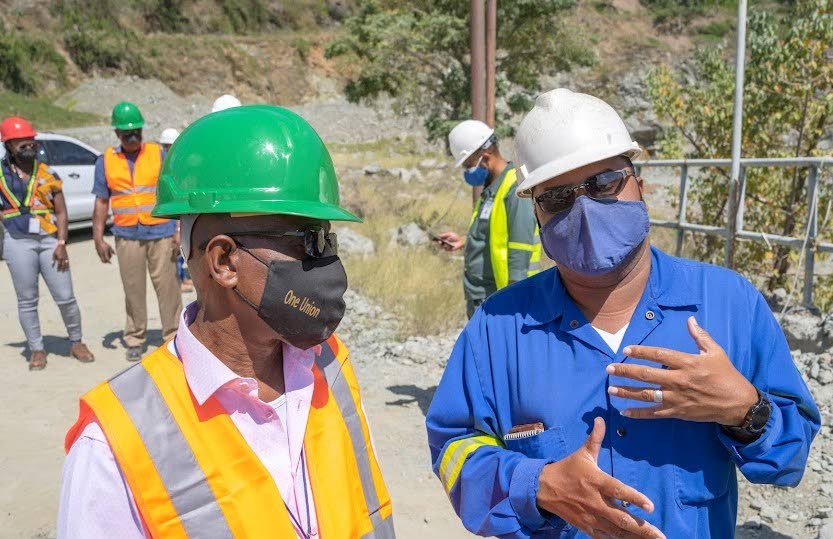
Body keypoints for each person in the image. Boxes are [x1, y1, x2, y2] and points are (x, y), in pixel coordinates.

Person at [425, 89, 820, 538]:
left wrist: (746, 411)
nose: (585, 208)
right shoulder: (498, 329)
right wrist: (537, 485)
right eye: (556, 197)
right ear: (535, 214)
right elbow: (453, 448)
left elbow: (790, 459)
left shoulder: (728, 304)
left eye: (603, 182)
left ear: (640, 184)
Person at [58, 105, 394, 538]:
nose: (327, 263)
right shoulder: (116, 446)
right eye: (308, 241)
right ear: (224, 261)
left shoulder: (330, 367)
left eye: (328, 239)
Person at [0, 117, 94, 370]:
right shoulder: (1, 175)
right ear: (9, 146)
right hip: (17, 242)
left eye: (31, 142)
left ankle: (77, 341)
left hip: (50, 241)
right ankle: (37, 349)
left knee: (65, 297)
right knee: (27, 300)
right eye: (22, 143)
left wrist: (62, 242)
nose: (29, 146)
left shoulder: (47, 173)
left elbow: (61, 212)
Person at [92, 102, 183, 362]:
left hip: (161, 232)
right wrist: (98, 237)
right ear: (117, 134)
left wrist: (178, 228)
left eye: (136, 132)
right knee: (132, 289)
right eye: (127, 134)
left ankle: (173, 336)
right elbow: (101, 201)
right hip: (127, 235)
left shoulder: (158, 153)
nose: (133, 138)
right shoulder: (106, 161)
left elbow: (172, 193)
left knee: (168, 289)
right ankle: (135, 337)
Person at [436, 120, 541, 318]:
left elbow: (521, 248)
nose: (468, 172)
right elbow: (494, 233)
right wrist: (464, 242)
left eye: (468, 166)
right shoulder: (491, 188)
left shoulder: (514, 188)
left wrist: (515, 302)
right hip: (482, 295)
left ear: (485, 157)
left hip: (500, 297)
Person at [158, 127, 193, 292]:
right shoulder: (165, 167)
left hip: (175, 220)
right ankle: (180, 280)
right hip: (166, 221)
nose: (168, 151)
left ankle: (183, 278)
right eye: (166, 147)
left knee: (181, 252)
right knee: (176, 254)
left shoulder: (176, 167)